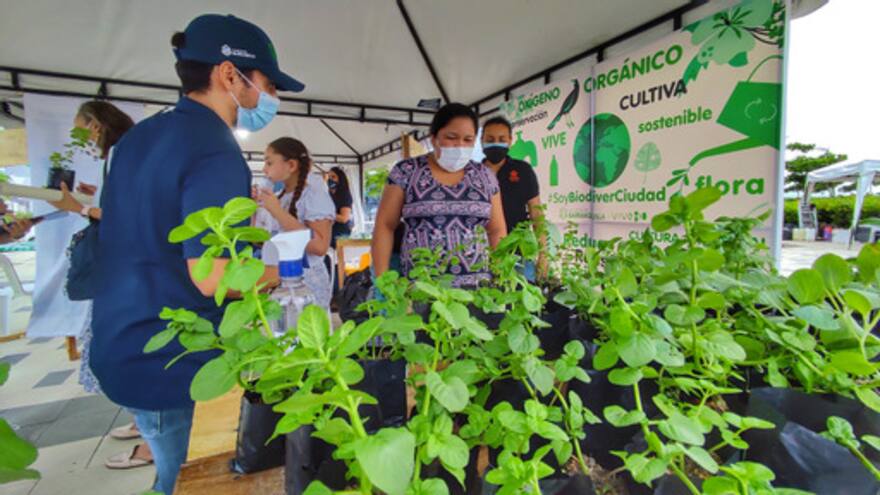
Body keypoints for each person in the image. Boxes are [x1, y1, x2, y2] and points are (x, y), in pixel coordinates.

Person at [90, 14, 299, 494]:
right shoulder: (213, 147)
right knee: (185, 481)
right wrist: (285, 271)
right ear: (229, 74)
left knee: (169, 472)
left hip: (122, 339)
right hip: (170, 358)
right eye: (268, 84)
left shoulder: (139, 137)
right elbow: (215, 276)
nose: (271, 97)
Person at [45, 101, 155, 470]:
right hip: (131, 271)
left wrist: (79, 207)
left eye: (82, 129)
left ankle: (151, 437)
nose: (82, 139)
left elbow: (129, 216)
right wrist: (91, 200)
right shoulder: (125, 154)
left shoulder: (125, 153)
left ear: (95, 126)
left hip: (130, 272)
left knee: (130, 350)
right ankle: (145, 425)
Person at [371, 103, 506, 287]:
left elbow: (496, 230)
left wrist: (500, 279)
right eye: (451, 137)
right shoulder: (406, 171)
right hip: (420, 290)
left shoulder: (485, 176)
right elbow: (385, 226)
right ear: (433, 138)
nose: (460, 146)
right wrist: (384, 283)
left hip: (478, 291)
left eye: (468, 140)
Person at [253, 137, 335, 309]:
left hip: (305, 286)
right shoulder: (280, 196)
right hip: (278, 282)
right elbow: (261, 239)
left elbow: (320, 246)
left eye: (269, 163)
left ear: (291, 165)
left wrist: (277, 211)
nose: (264, 169)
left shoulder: (313, 195)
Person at [481, 116, 546, 280]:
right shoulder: (474, 174)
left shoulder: (523, 171)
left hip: (519, 254)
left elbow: (537, 214)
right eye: (490, 140)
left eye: (501, 139)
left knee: (524, 294)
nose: (496, 144)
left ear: (510, 141)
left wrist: (543, 255)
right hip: (481, 255)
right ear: (482, 140)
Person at [327, 166, 354, 248]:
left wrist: (326, 214)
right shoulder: (329, 194)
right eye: (329, 177)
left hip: (340, 234)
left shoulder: (344, 195)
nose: (330, 179)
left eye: (333, 177)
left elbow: (344, 218)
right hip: (329, 232)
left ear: (340, 179)